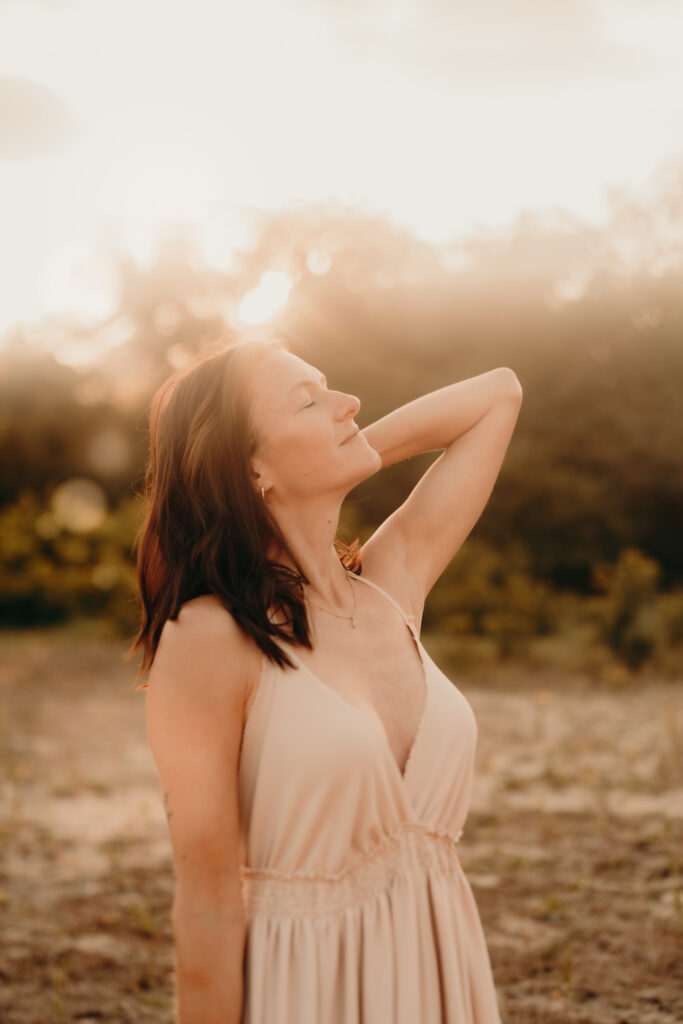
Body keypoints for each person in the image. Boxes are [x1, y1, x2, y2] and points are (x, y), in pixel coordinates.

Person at [128, 336, 523, 1023]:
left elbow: (498, 393)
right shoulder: (209, 637)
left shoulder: (390, 583)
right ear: (249, 467)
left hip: (435, 977)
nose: (350, 404)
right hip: (307, 994)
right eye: (309, 400)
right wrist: (319, 461)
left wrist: (338, 451)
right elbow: (208, 903)